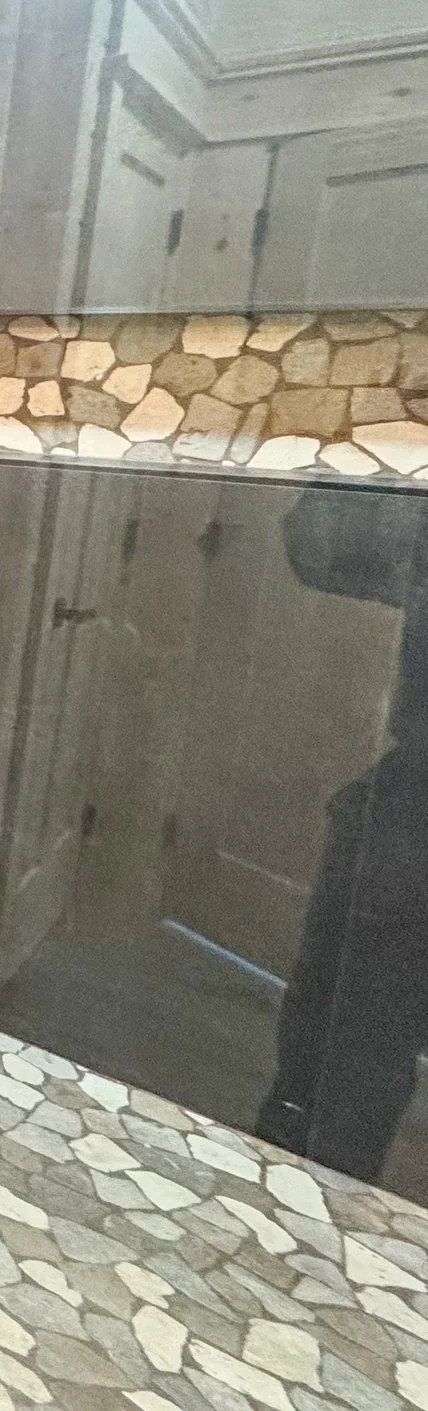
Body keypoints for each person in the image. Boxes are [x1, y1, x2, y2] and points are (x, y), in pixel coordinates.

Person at [256, 481, 428, 1179]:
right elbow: (313, 542)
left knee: (360, 1045)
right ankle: (290, 1180)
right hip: (412, 791)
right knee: (331, 1030)